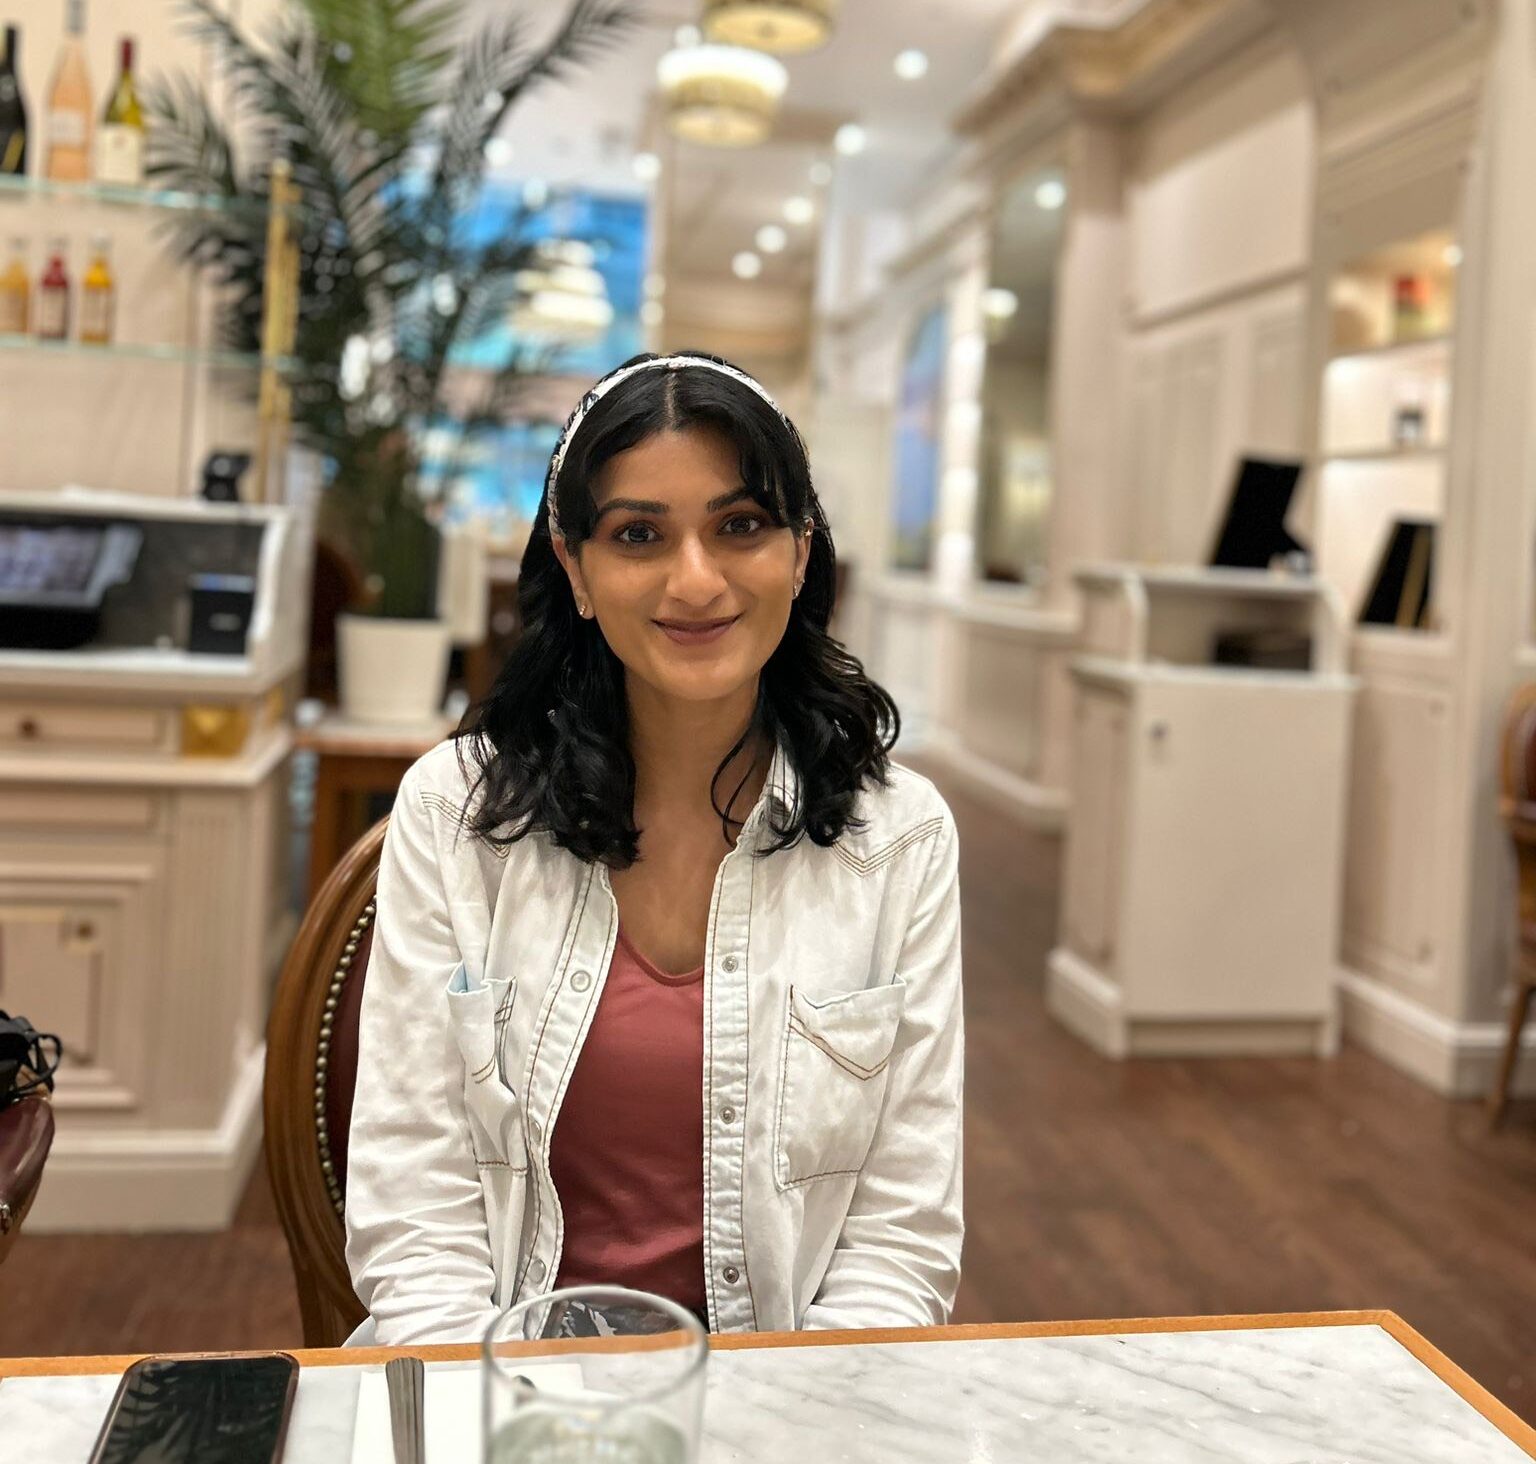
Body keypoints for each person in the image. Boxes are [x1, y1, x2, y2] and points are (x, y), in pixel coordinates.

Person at [345, 351, 964, 1345]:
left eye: (741, 527)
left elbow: (901, 1238)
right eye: (639, 534)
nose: (695, 580)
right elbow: (415, 1213)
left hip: (791, 1407)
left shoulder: (901, 838)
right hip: (501, 1395)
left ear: (801, 555)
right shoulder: (453, 813)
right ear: (577, 569)